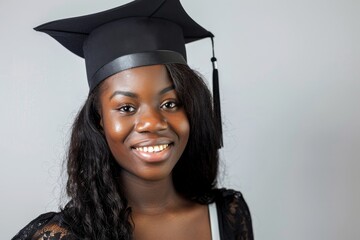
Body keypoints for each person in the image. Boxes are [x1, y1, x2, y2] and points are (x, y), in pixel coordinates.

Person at [12, 0, 253, 239]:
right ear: (99, 120)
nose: (152, 122)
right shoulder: (64, 235)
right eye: (127, 107)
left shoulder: (227, 215)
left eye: (170, 104)